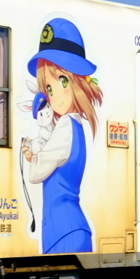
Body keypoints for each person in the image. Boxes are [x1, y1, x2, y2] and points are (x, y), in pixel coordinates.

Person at [22, 18, 103, 254]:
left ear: (78, 82)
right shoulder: (73, 126)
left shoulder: (66, 126)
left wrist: (33, 155)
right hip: (66, 227)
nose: (53, 94)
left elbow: (37, 173)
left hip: (63, 229)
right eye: (48, 88)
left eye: (61, 81)